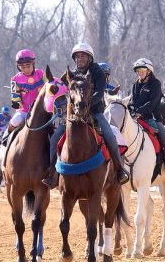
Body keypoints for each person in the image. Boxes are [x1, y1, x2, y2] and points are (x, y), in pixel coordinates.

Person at [42, 42, 129, 188]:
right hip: (74, 115)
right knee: (55, 138)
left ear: (89, 57)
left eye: (82, 56)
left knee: (109, 135)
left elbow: (99, 92)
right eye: (77, 56)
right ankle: (52, 173)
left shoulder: (98, 73)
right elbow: (62, 88)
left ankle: (120, 170)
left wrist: (86, 106)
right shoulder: (73, 73)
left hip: (94, 113)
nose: (79, 59)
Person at [129, 58, 165, 176]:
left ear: (149, 71)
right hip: (135, 117)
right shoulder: (134, 85)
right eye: (138, 71)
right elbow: (132, 101)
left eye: (142, 70)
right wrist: (131, 110)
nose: (139, 73)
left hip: (152, 117)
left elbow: (152, 102)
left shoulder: (156, 84)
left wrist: (140, 111)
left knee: (163, 134)